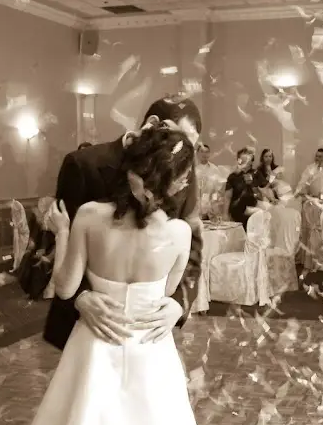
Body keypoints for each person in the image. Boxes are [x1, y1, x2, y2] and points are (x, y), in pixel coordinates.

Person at [0, 126, 229, 425]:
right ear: (174, 181)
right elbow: (166, 291)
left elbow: (65, 287)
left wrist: (62, 232)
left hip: (93, 344)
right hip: (149, 346)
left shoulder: (88, 215)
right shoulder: (178, 234)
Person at [43, 95, 204, 351]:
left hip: (149, 329)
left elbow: (193, 247)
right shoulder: (83, 164)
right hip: (88, 326)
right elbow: (57, 235)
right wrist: (80, 297)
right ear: (153, 124)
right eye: (179, 138)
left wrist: (178, 303)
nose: (183, 154)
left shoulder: (183, 169)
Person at [223, 146, 267, 229]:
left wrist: (252, 185)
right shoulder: (233, 176)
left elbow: (261, 196)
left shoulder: (257, 174)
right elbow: (227, 196)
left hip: (253, 210)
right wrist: (225, 214)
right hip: (237, 210)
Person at [195, 143, 226, 219]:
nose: (204, 154)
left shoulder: (214, 169)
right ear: (197, 153)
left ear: (209, 154)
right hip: (195, 206)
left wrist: (214, 202)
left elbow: (218, 189)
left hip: (210, 207)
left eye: (207, 152)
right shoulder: (193, 169)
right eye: (202, 151)